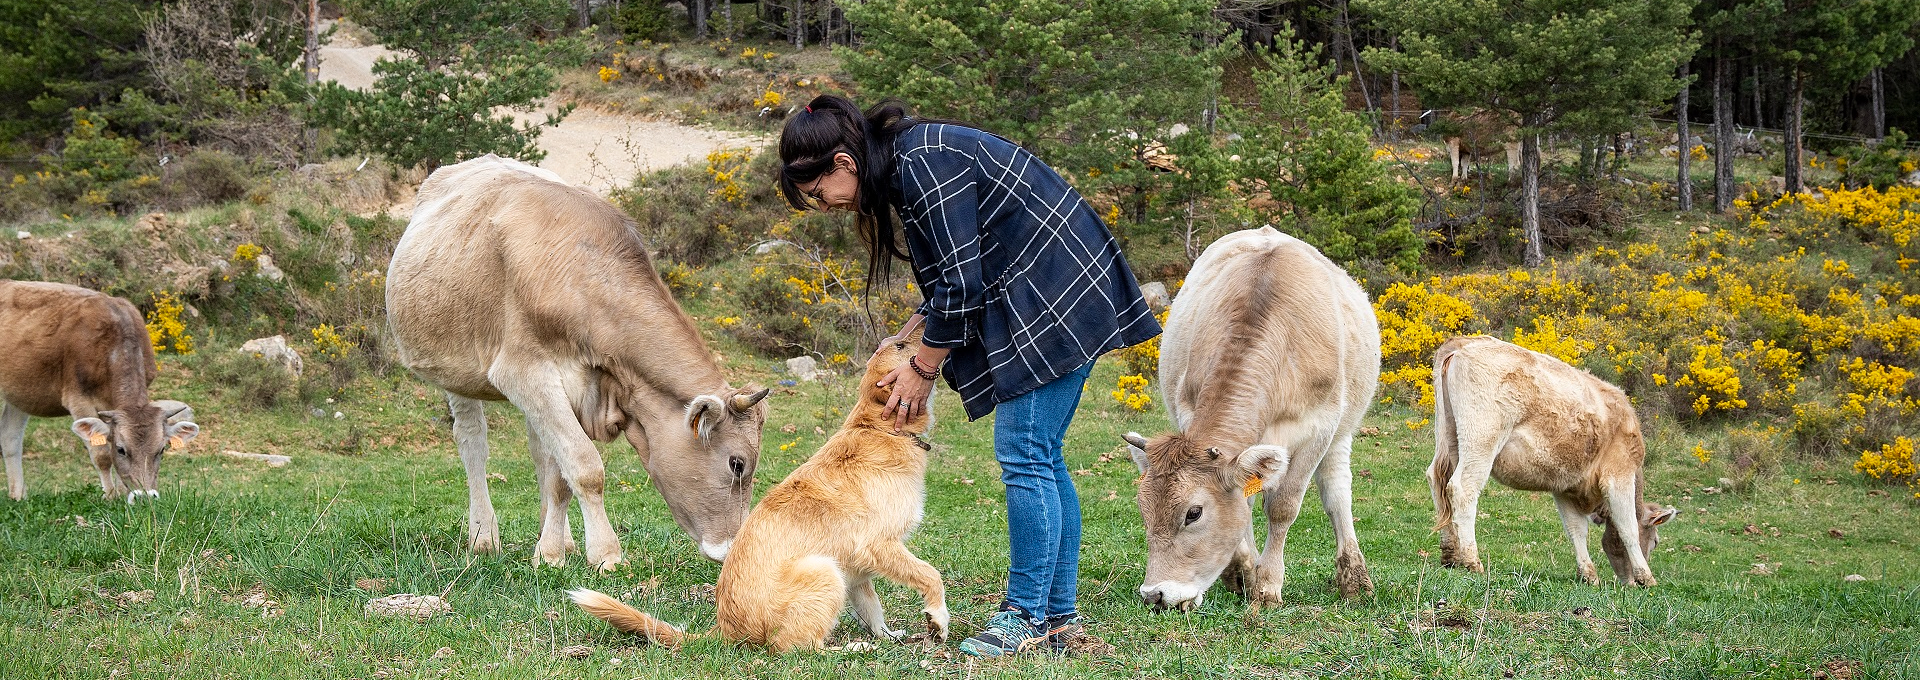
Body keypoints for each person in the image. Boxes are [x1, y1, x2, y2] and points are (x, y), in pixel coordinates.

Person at [776, 95, 1160, 657]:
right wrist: (911, 332)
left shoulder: (924, 163)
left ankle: (1024, 617)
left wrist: (922, 370)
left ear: (843, 163)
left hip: (1055, 291)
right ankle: (1058, 621)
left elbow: (961, 284)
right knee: (1042, 454)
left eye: (817, 193)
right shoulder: (911, 162)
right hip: (1056, 284)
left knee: (1026, 451)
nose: (824, 205)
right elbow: (951, 281)